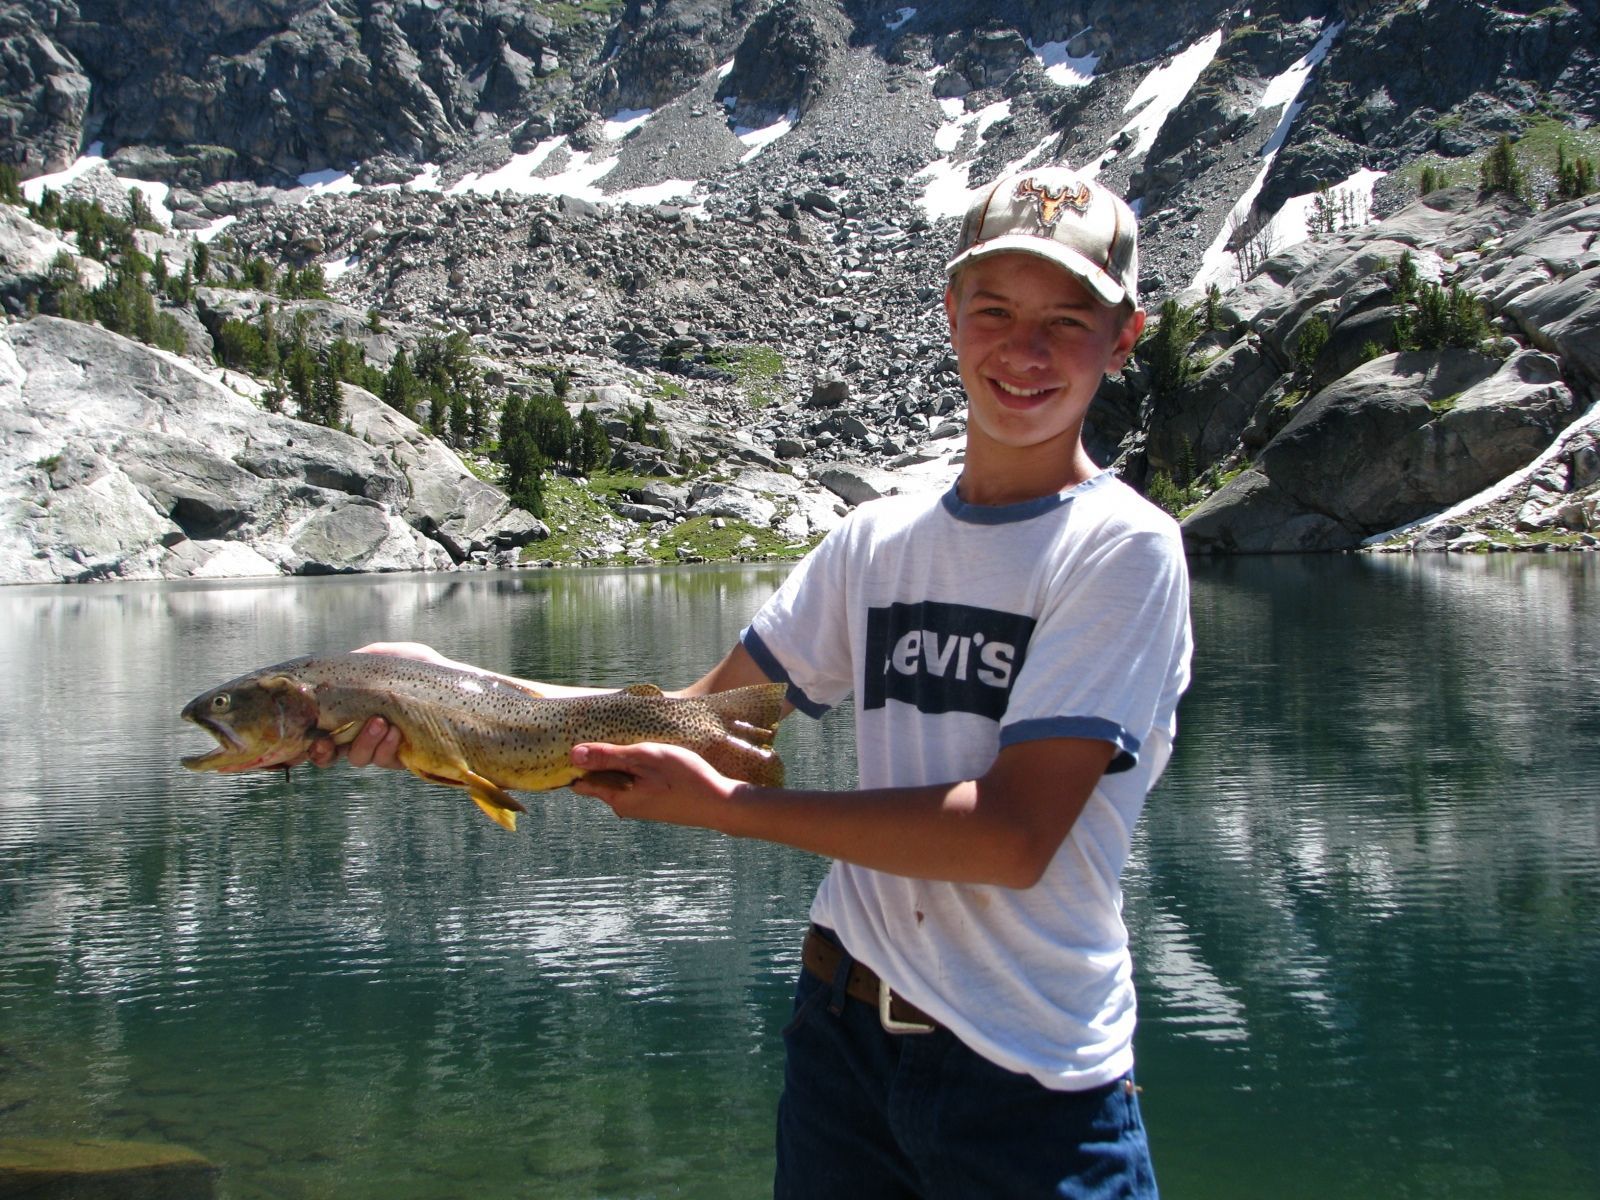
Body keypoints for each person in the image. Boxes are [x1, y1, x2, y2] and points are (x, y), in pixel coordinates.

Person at [317, 165, 1192, 1199]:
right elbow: (690, 722)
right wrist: (441, 692)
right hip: (843, 1046)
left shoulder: (1122, 549)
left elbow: (1011, 837)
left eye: (1067, 321)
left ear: (1123, 339)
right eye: (994, 309)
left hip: (1029, 1083)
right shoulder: (876, 543)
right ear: (951, 311)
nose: (1024, 350)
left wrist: (731, 811)